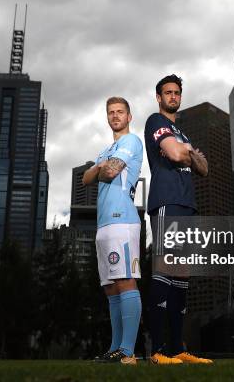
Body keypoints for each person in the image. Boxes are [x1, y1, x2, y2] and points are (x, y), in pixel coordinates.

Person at [143, 74, 212, 365]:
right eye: (167, 93)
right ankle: (157, 350)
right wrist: (189, 155)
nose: (173, 97)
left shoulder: (182, 134)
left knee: (181, 274)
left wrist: (188, 154)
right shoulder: (155, 122)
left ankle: (176, 348)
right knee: (164, 270)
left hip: (187, 206)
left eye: (177, 93)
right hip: (166, 201)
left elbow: (205, 168)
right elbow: (173, 154)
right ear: (159, 97)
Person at [83, 96, 144, 365]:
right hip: (103, 224)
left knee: (125, 280)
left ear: (129, 117)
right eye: (111, 112)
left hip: (122, 220)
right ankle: (115, 348)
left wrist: (99, 168)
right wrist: (100, 167)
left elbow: (108, 172)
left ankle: (128, 352)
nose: (115, 116)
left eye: (120, 112)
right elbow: (86, 179)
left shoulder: (131, 141)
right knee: (110, 287)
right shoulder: (106, 149)